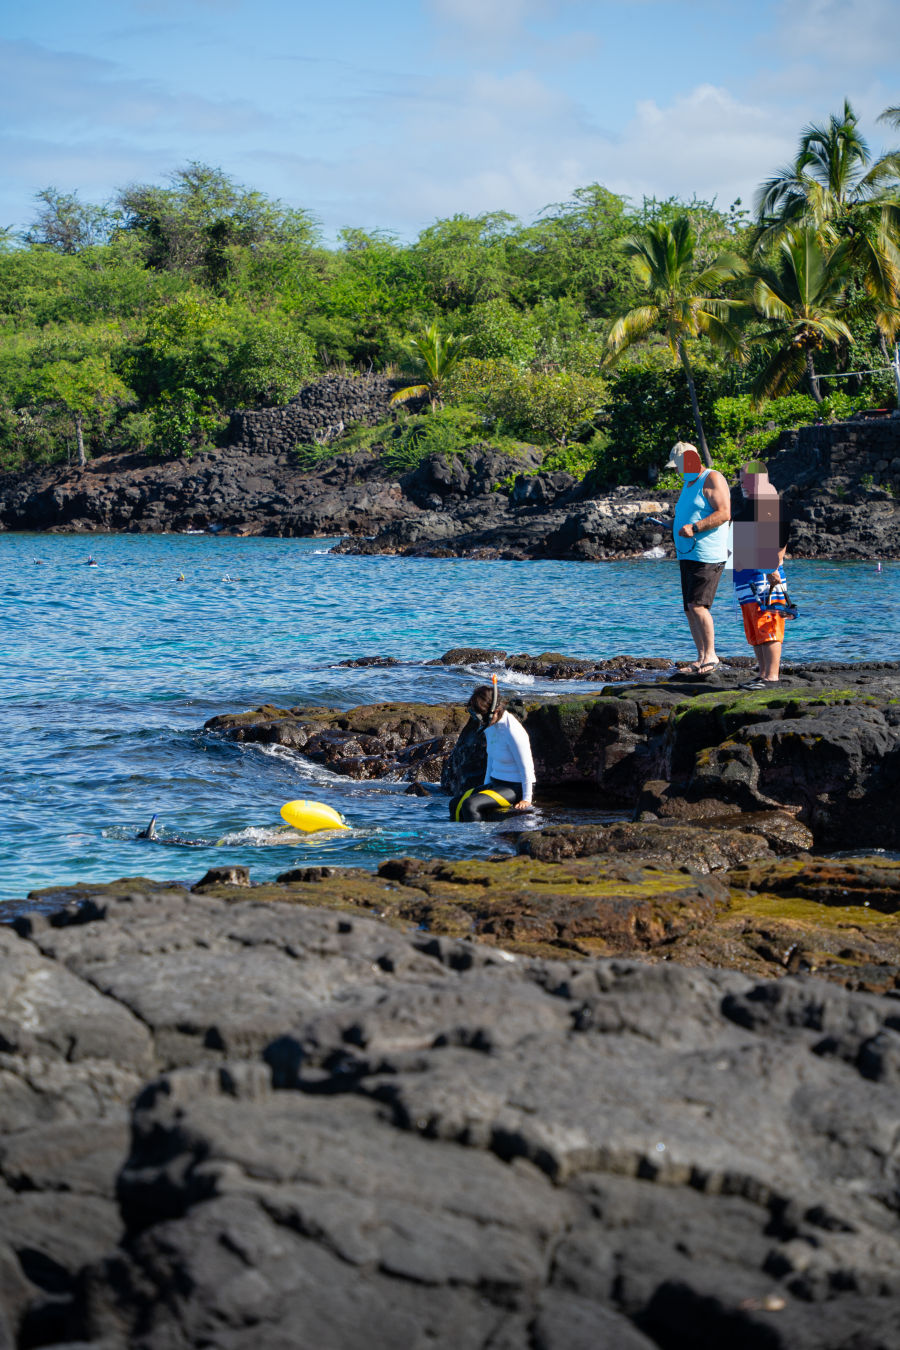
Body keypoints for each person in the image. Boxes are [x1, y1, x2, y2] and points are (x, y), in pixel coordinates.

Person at [666, 441, 732, 674]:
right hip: (687, 554)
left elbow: (724, 513)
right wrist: (672, 525)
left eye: (679, 465)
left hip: (708, 554)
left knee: (698, 606)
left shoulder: (712, 478)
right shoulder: (688, 483)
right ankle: (700, 657)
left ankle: (711, 656)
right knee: (689, 608)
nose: (677, 471)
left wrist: (695, 527)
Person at [731, 459, 793, 688]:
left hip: (764, 574)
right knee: (754, 625)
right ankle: (763, 673)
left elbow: (781, 537)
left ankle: (772, 676)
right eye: (741, 480)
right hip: (745, 574)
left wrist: (774, 567)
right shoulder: (750, 504)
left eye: (747, 479)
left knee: (769, 622)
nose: (742, 484)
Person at [449, 681, 535, 821]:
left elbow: (527, 767)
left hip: (514, 789)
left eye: (481, 715)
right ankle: (458, 841)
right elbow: (491, 758)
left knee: (470, 805)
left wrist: (527, 799)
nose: (480, 720)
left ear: (494, 711)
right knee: (454, 804)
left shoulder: (513, 731)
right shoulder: (490, 727)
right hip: (495, 784)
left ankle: (478, 841)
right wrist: (485, 786)